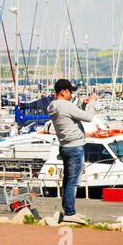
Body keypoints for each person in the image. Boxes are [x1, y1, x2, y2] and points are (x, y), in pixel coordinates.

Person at [47, 79, 97, 224]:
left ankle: (68, 209)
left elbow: (70, 117)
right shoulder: (65, 105)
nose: (71, 95)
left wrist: (82, 104)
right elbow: (87, 117)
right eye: (70, 91)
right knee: (73, 182)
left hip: (65, 147)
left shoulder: (54, 106)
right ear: (63, 92)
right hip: (75, 148)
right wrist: (92, 102)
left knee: (67, 180)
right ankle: (70, 212)